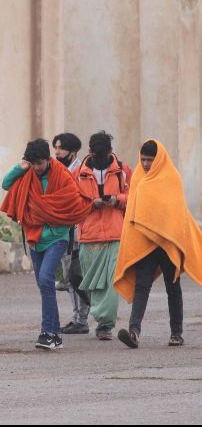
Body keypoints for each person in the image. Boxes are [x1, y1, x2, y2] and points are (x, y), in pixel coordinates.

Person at [1, 139, 91, 350]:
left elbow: (72, 205)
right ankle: (54, 334)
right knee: (44, 285)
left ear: (48, 159)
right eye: (32, 164)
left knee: (46, 278)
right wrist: (20, 167)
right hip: (34, 236)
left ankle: (47, 332)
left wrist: (49, 228)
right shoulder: (27, 172)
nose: (36, 168)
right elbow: (6, 184)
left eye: (39, 163)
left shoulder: (62, 175)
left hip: (57, 236)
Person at [114, 139, 202, 348]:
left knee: (173, 287)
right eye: (143, 159)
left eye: (150, 160)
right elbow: (133, 213)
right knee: (142, 286)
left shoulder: (171, 178)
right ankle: (134, 332)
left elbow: (177, 212)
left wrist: (173, 237)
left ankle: (176, 333)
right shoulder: (138, 177)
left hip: (167, 242)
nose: (145, 164)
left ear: (159, 159)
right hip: (146, 241)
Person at [73, 131, 131, 341]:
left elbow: (135, 196)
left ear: (111, 152)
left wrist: (118, 199)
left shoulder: (123, 171)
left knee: (112, 281)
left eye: (104, 156)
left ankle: (105, 325)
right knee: (91, 283)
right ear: (89, 153)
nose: (100, 160)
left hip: (116, 234)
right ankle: (100, 314)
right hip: (89, 235)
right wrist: (91, 203)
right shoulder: (78, 173)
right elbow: (72, 202)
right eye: (97, 156)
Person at [52, 132, 91, 334]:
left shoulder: (79, 172)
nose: (57, 151)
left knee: (74, 275)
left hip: (76, 231)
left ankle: (81, 319)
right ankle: (78, 316)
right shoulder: (61, 170)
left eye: (60, 148)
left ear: (72, 151)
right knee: (68, 276)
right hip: (64, 231)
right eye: (56, 147)